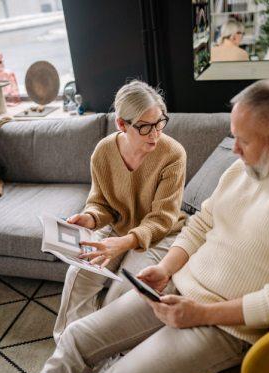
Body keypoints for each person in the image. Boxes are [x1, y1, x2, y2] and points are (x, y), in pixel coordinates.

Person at [0, 79, 269, 373]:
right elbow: (201, 223)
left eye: (243, 140)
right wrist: (167, 268)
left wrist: (199, 314)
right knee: (77, 337)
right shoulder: (240, 170)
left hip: (223, 326)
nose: (232, 149)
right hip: (176, 287)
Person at [53, 79, 187, 345]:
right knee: (78, 274)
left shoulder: (173, 154)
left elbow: (162, 218)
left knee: (124, 292)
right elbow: (100, 202)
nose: (155, 133)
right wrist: (90, 218)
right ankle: (69, 347)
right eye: (145, 126)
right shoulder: (103, 151)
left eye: (160, 122)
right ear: (122, 125)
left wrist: (125, 243)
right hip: (117, 227)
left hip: (160, 235)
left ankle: (104, 355)